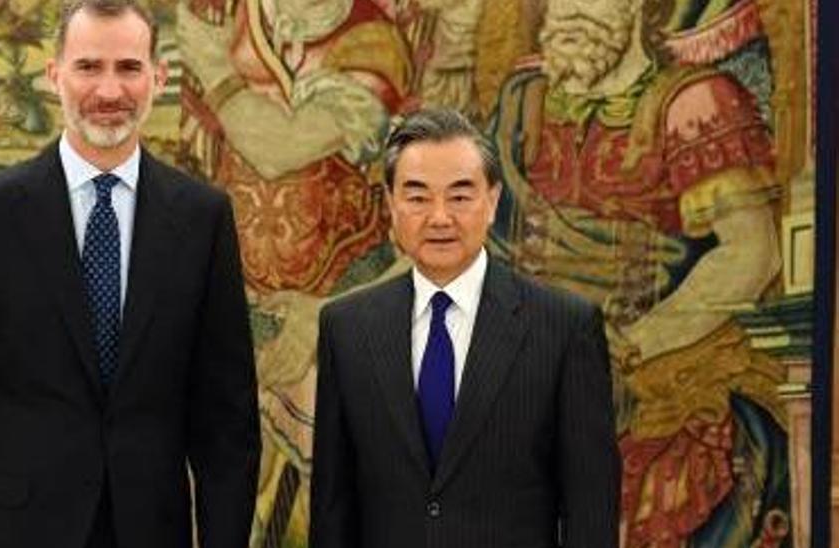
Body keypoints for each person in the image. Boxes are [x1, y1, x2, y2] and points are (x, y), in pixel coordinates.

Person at [0, 0, 261, 547]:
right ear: (54, 75)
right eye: (89, 66)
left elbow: (226, 424)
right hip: (8, 532)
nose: (109, 92)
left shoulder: (202, 219)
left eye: (129, 68)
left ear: (158, 78)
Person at [489, 0, 791, 544]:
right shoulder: (522, 101)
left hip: (646, 368)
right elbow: (470, 240)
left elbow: (751, 254)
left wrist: (625, 349)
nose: (567, 11)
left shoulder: (692, 102)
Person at [308, 108, 620, 547]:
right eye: (418, 197)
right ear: (390, 204)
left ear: (492, 201)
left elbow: (591, 509)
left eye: (459, 196)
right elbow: (333, 503)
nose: (439, 217)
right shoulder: (348, 327)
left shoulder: (563, 328)